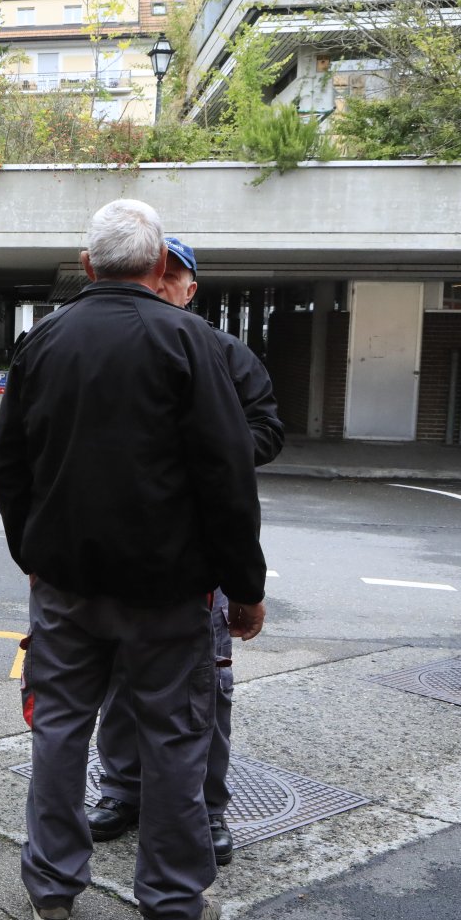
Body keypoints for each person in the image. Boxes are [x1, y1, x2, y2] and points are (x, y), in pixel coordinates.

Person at [0, 200, 268, 920]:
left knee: (58, 729)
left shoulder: (43, 341)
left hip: (64, 587)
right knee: (175, 740)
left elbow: (8, 459)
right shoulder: (191, 341)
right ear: (158, 265)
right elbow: (227, 475)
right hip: (169, 591)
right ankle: (172, 907)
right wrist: (244, 585)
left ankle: (51, 888)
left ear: (88, 266)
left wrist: (33, 554)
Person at [87, 236, 284, 870]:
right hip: (115, 548)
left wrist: (205, 448)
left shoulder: (223, 351)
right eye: (156, 272)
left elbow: (267, 431)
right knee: (119, 676)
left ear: (190, 289)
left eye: (174, 277)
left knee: (207, 688)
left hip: (197, 553)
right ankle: (122, 791)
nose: (161, 284)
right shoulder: (117, 345)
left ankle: (207, 808)